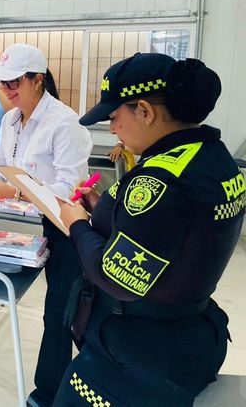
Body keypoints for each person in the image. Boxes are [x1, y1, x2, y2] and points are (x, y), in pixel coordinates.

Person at [52, 53, 243, 406]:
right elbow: (166, 233)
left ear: (144, 110)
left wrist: (76, 224)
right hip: (188, 333)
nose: (112, 129)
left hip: (140, 357)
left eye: (114, 117)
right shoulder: (211, 156)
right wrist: (100, 206)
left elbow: (116, 278)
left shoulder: (161, 180)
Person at [0, 44, 92, 407]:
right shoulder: (11, 119)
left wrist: (14, 191)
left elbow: (69, 190)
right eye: (1, 82)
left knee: (60, 310)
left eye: (14, 82)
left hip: (66, 226)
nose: (6, 89)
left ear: (38, 80)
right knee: (55, 307)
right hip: (29, 220)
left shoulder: (65, 123)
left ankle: (51, 393)